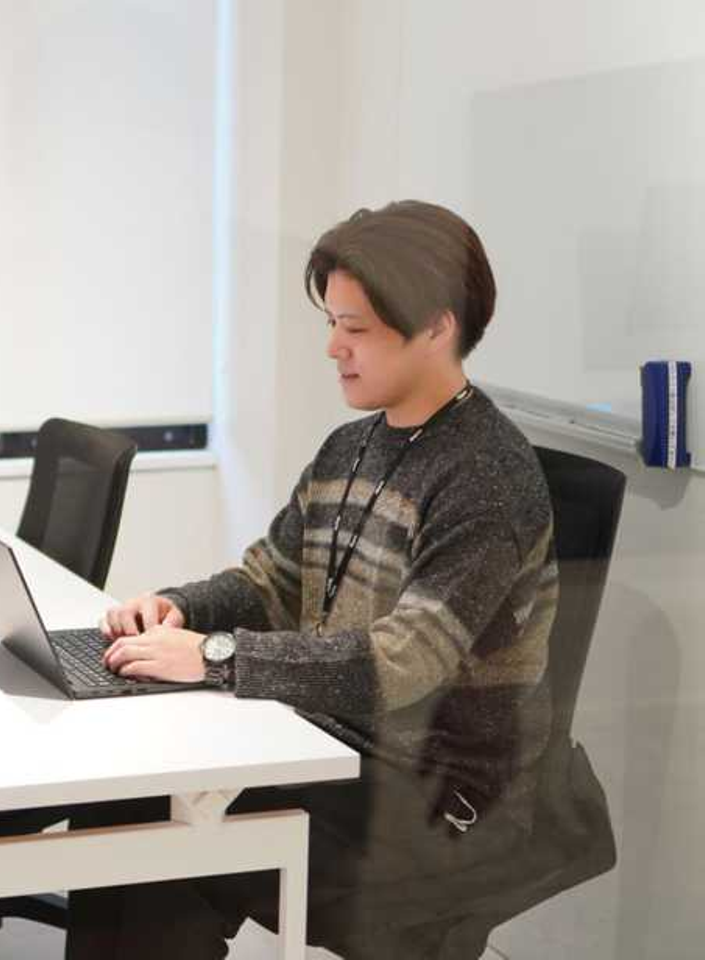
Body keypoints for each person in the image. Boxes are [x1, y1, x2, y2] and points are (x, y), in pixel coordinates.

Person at [67, 201, 560, 958]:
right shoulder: (350, 446)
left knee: (161, 843)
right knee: (126, 804)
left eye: (355, 327)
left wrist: (214, 657)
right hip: (334, 742)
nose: (333, 347)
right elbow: (271, 582)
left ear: (437, 326)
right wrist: (175, 609)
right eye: (332, 323)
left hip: (437, 798)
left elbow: (404, 662)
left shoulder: (487, 476)